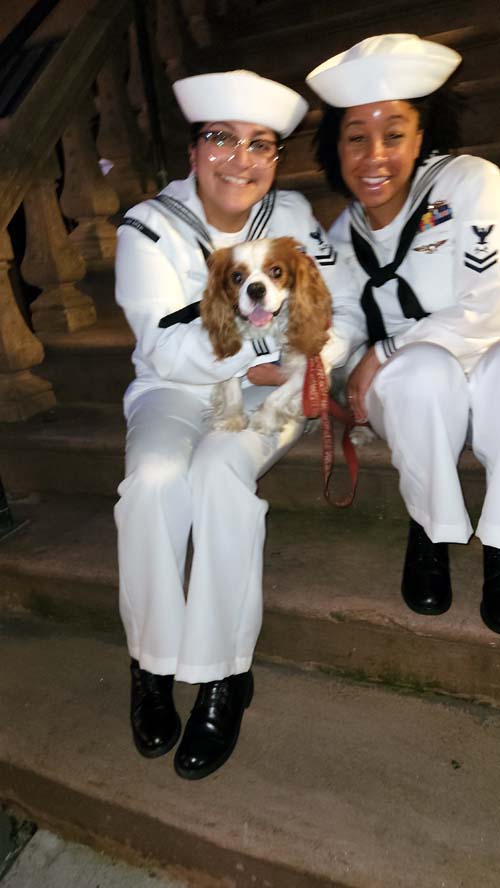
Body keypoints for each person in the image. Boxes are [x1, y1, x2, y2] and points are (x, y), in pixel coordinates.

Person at [114, 69, 336, 780]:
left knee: (218, 473)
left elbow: (341, 308)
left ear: (275, 158)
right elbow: (162, 348)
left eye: (259, 145)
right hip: (172, 389)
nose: (240, 159)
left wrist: (310, 360)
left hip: (272, 395)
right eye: (222, 139)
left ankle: (222, 675)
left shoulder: (295, 217)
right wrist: (263, 346)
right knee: (151, 480)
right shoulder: (148, 228)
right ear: (192, 151)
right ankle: (151, 664)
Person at [306, 34, 500, 631]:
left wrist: (382, 350)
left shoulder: (471, 182)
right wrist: (315, 366)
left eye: (394, 134)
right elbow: (340, 320)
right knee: (422, 372)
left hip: (488, 358)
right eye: (356, 138)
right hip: (414, 388)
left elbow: (492, 303)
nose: (375, 156)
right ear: (336, 148)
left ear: (421, 137)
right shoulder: (338, 238)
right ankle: (428, 531)